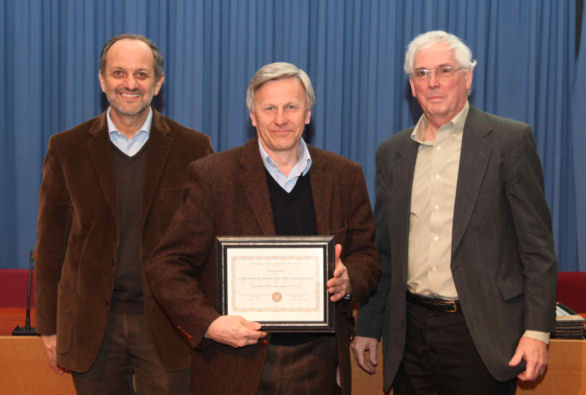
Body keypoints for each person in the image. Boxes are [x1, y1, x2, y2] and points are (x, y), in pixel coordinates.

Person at [145, 62, 380, 394]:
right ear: (252, 116)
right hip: (234, 360)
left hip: (319, 361)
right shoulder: (213, 176)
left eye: (291, 107)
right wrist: (210, 324)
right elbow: (166, 266)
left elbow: (367, 256)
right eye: (269, 108)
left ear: (308, 114)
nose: (280, 119)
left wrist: (349, 280)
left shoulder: (344, 176)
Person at [351, 30, 558, 394]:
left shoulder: (508, 141)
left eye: (444, 70)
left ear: (468, 77)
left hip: (481, 333)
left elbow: (537, 249)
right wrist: (369, 325)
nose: (432, 83)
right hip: (409, 334)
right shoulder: (393, 153)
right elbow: (384, 251)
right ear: (411, 85)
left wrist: (537, 331)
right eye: (421, 73)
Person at [34, 33, 214, 393]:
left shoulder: (193, 148)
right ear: (102, 80)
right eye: (118, 73)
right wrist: (49, 326)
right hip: (91, 328)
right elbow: (50, 243)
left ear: (158, 83)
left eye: (142, 75)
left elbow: (207, 243)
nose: (130, 84)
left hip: (168, 324)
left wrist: (206, 321)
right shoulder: (66, 148)